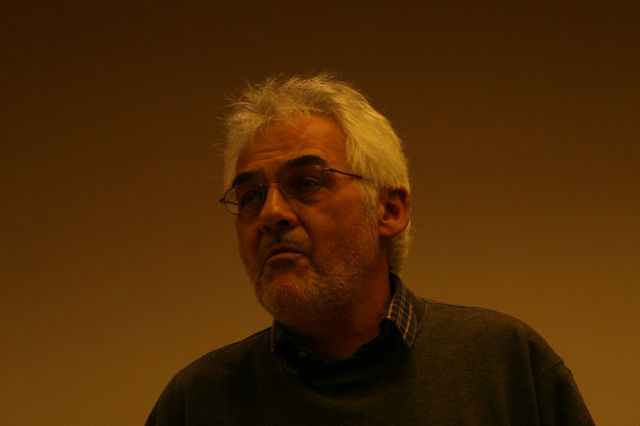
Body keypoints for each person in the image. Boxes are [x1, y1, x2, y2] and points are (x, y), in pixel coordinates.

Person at [146, 74, 593, 425]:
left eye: (307, 183)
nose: (271, 214)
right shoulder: (196, 401)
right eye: (250, 197)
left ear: (390, 210)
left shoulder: (505, 365)